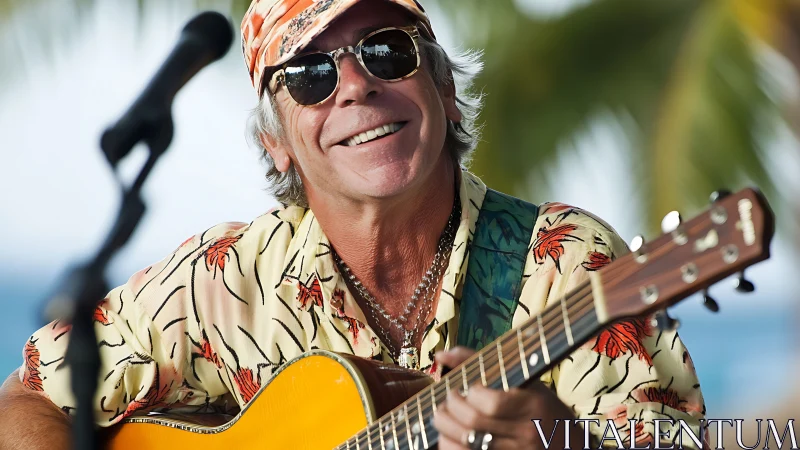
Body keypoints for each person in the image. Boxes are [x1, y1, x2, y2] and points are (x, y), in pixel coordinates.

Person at [0, 0, 707, 448]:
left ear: (445, 90)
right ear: (275, 140)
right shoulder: (222, 281)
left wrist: (567, 444)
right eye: (309, 74)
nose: (357, 86)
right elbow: (25, 397)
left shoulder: (568, 263)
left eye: (385, 52)